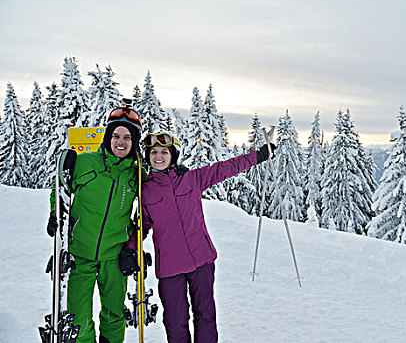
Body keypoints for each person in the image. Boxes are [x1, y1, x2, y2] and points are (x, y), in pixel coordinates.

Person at [119, 132, 275, 343]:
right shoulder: (145, 190)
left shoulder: (191, 179)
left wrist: (257, 156)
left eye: (164, 152)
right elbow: (142, 225)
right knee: (175, 321)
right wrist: (131, 248)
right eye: (153, 152)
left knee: (206, 316)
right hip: (170, 267)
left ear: (173, 155)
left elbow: (224, 168)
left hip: (201, 259)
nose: (158, 156)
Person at [47, 106, 143, 343]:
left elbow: (152, 205)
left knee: (114, 315)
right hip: (80, 253)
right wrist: (54, 215)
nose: (121, 142)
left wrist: (132, 248)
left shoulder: (137, 174)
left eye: (127, 137)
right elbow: (60, 189)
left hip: (115, 256)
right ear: (108, 137)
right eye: (116, 135)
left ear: (134, 142)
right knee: (78, 318)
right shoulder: (84, 162)